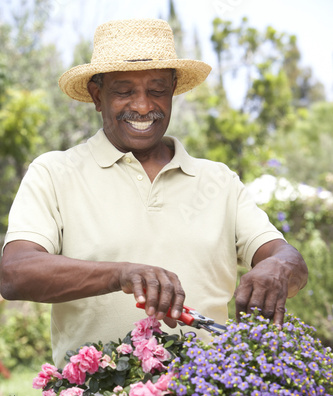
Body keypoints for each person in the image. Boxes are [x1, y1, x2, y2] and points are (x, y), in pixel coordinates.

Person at [0, 19, 307, 368]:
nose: (144, 106)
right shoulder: (54, 173)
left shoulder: (219, 181)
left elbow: (285, 256)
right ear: (98, 96)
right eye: (124, 91)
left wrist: (278, 268)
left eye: (157, 89)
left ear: (173, 90)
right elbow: (14, 273)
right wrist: (120, 274)